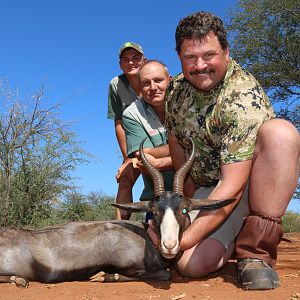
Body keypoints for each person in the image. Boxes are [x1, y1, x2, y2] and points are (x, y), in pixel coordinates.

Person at [164, 11, 300, 290]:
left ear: (226, 51)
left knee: (281, 133)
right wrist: (184, 203)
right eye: (190, 57)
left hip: (246, 186)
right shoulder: (175, 91)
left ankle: (255, 252)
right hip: (210, 188)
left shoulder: (242, 97)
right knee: (190, 265)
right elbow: (176, 140)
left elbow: (233, 187)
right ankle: (233, 237)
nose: (199, 65)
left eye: (209, 55)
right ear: (179, 56)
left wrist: (185, 237)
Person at [122, 60, 174, 220]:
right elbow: (143, 158)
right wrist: (182, 152)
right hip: (158, 200)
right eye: (146, 83)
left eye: (158, 80)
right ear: (139, 87)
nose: (153, 87)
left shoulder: (187, 101)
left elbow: (201, 150)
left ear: (170, 80)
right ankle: (119, 224)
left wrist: (158, 161)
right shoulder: (132, 113)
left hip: (194, 193)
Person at [107, 42, 146, 220]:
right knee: (125, 178)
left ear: (143, 60)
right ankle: (119, 230)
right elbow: (119, 121)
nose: (131, 63)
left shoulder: (153, 77)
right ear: (120, 64)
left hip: (162, 140)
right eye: (126, 59)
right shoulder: (116, 84)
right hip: (136, 145)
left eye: (135, 58)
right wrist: (127, 157)